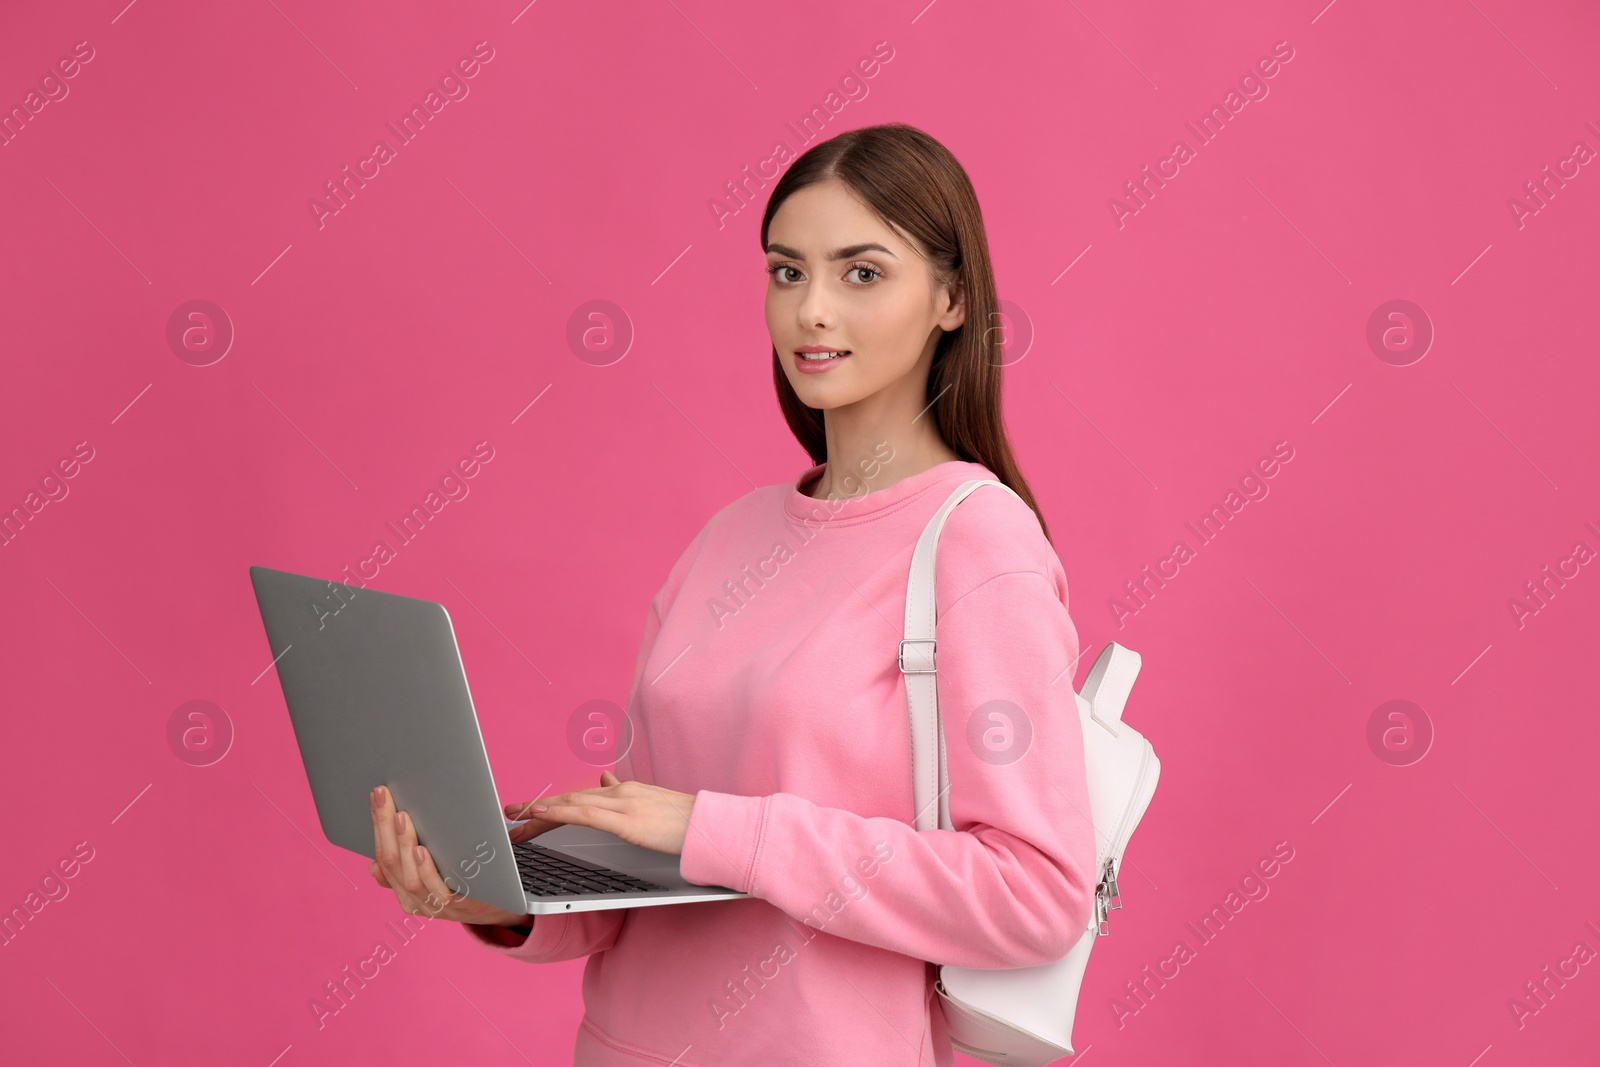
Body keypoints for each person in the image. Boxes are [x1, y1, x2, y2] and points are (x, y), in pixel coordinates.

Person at [368, 122, 1098, 1066]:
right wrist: (495, 893)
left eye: (862, 272)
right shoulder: (734, 536)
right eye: (787, 271)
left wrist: (720, 828)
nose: (811, 311)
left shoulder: (978, 541)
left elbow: (1033, 896)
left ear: (952, 298)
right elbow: (648, 882)